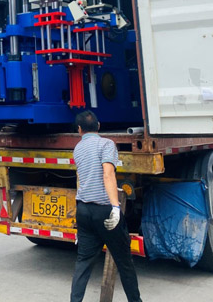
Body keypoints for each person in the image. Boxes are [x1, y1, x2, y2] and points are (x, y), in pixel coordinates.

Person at [70, 110, 142, 302]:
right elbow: (108, 174)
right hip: (104, 211)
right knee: (124, 262)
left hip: (84, 210)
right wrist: (115, 208)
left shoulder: (78, 148)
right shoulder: (107, 144)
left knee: (83, 263)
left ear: (79, 130)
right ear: (99, 126)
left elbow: (85, 177)